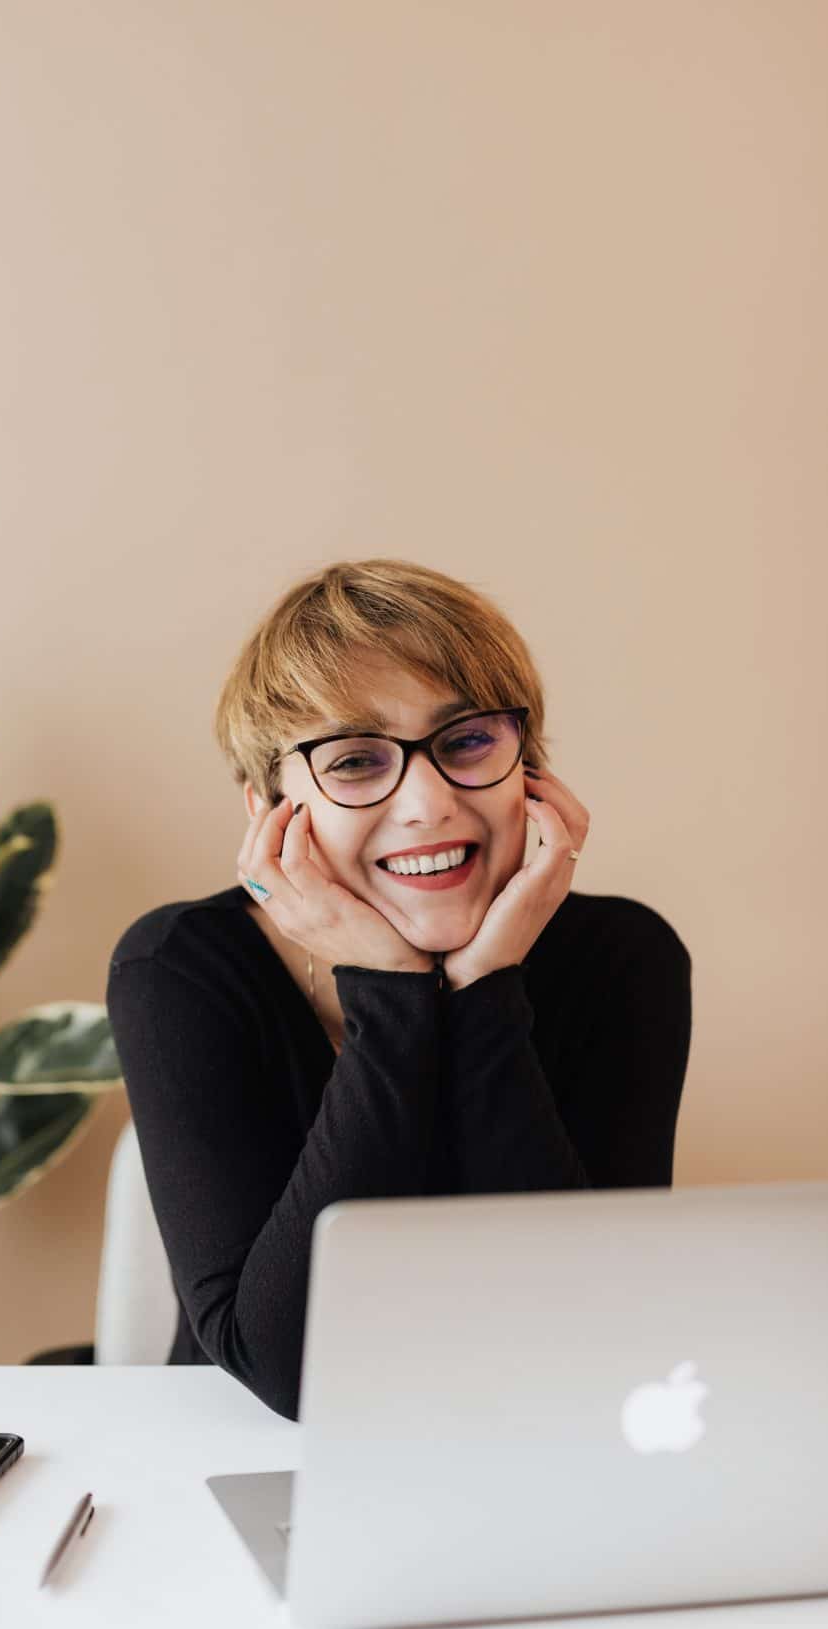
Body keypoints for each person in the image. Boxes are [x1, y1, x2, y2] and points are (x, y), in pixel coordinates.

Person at [105, 559, 692, 1422]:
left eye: (465, 743)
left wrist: (484, 989)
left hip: (532, 1443)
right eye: (353, 761)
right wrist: (390, 992)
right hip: (244, 1458)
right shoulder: (180, 968)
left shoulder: (624, 956)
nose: (426, 803)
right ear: (270, 807)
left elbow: (591, 1329)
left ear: (529, 768)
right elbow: (289, 1371)